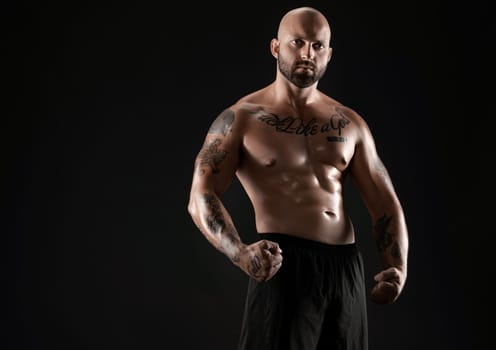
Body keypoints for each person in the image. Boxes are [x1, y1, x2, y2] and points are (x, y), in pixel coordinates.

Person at [187, 6, 408, 350]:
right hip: (283, 265)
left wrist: (397, 268)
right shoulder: (241, 118)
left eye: (318, 46)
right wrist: (241, 254)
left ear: (329, 54)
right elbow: (200, 196)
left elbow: (385, 204)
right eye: (298, 42)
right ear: (276, 47)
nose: (307, 53)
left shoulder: (350, 124)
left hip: (345, 269)